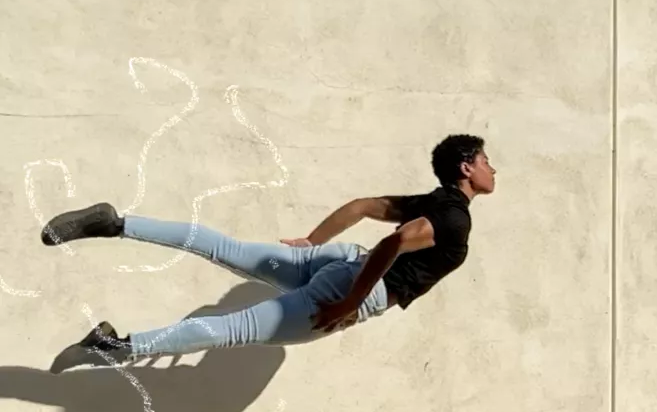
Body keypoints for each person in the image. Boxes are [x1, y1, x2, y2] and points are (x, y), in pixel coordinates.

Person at [40, 134, 496, 363]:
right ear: (466, 166)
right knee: (229, 330)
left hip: (336, 261)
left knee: (225, 248)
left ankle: (117, 223)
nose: (492, 169)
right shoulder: (455, 218)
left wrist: (313, 243)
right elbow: (395, 241)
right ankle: (115, 346)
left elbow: (362, 207)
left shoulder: (435, 200)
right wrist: (350, 302)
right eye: (485, 161)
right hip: (354, 290)